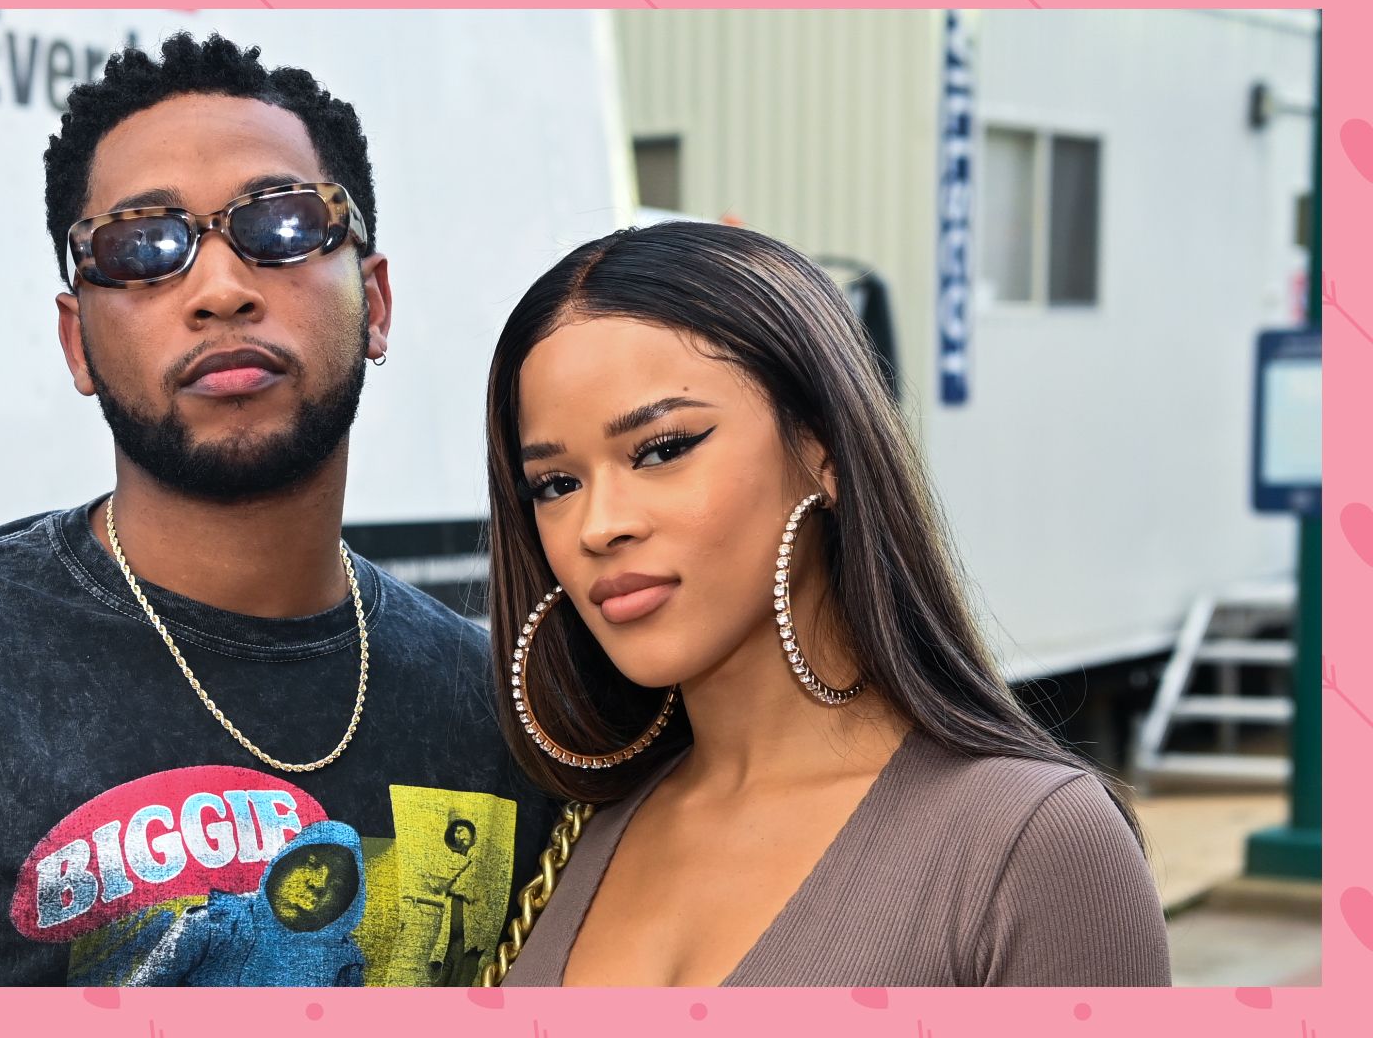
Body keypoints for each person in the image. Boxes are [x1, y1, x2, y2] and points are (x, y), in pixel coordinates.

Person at [0, 31, 553, 987]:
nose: (221, 289)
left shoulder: (491, 707)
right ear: (77, 343)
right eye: (142, 246)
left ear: (374, 301)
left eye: (282, 224)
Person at [480, 222, 1170, 987]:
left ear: (825, 453)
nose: (600, 526)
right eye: (556, 484)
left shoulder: (1032, 845)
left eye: (663, 450)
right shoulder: (574, 829)